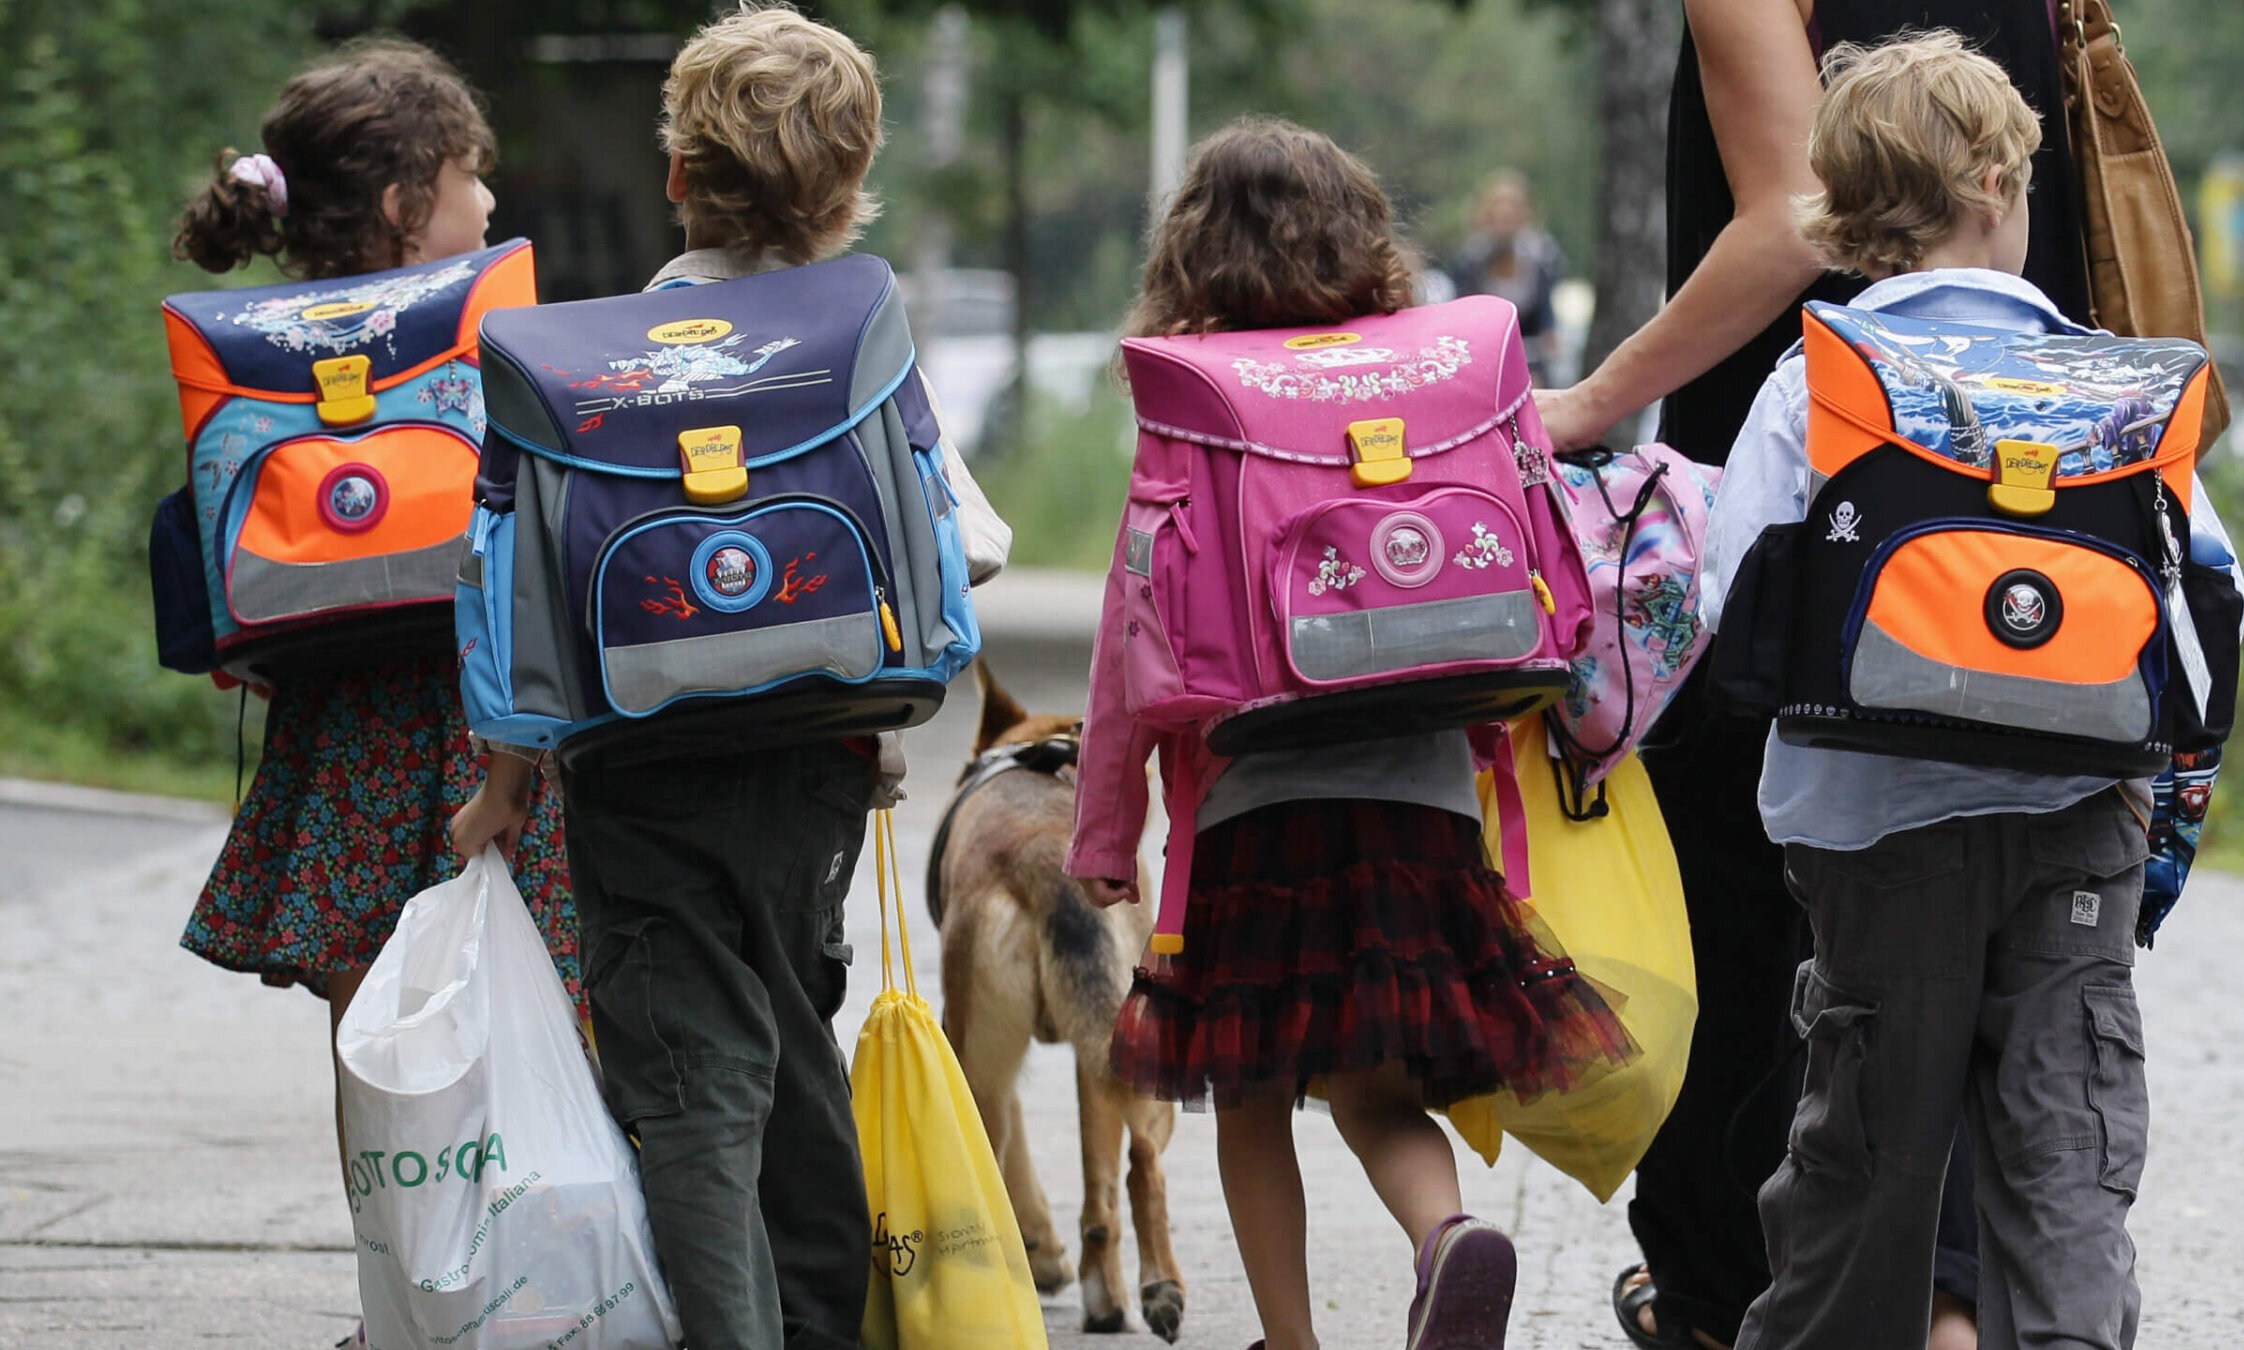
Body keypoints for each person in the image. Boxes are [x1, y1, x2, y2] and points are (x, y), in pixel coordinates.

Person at [1536, 6, 2095, 1346]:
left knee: (1765, 926)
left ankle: (1729, 1294)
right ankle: (1966, 1299)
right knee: (2015, 972)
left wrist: (1589, 403)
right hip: (2036, 486)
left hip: (1825, 488)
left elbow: (1792, 217)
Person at [1701, 33, 2237, 1349]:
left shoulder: (1814, 388)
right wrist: (2161, 811)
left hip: (1868, 833)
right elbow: (2208, 611)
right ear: (2002, 179)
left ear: (1840, 206)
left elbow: (1732, 618)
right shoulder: (2118, 388)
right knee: (2064, 1159)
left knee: (1862, 1167)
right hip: (2075, 824)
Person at [1067, 115, 1636, 1350]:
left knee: (1253, 1096)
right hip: (1421, 787)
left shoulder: (1198, 392)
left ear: (1193, 253)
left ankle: (1293, 1340)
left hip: (1251, 801)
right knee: (1383, 1091)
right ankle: (1449, 1238)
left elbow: (1132, 632)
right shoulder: (1440, 372)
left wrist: (1105, 829)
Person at [449, 9, 957, 1348]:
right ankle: (815, 1320)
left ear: (676, 173)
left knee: (689, 1074)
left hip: (636, 762)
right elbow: (964, 533)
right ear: (851, 193)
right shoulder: (860, 333)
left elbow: (515, 590)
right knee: (793, 1041)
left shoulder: (573, 365)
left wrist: (505, 781)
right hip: (819, 758)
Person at [167, 42, 581, 1349]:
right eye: (472, 179)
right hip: (476, 719)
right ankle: (537, 1287)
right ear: (410, 203)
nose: (489, 209)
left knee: (373, 1034)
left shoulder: (256, 355)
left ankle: (399, 1306)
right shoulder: (479, 338)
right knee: (531, 1012)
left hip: (338, 727)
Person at [1447, 170, 1567, 385]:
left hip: (1530, 353)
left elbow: (1545, 315)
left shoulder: (1541, 257)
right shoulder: (1470, 259)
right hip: (1484, 354)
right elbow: (1461, 314)